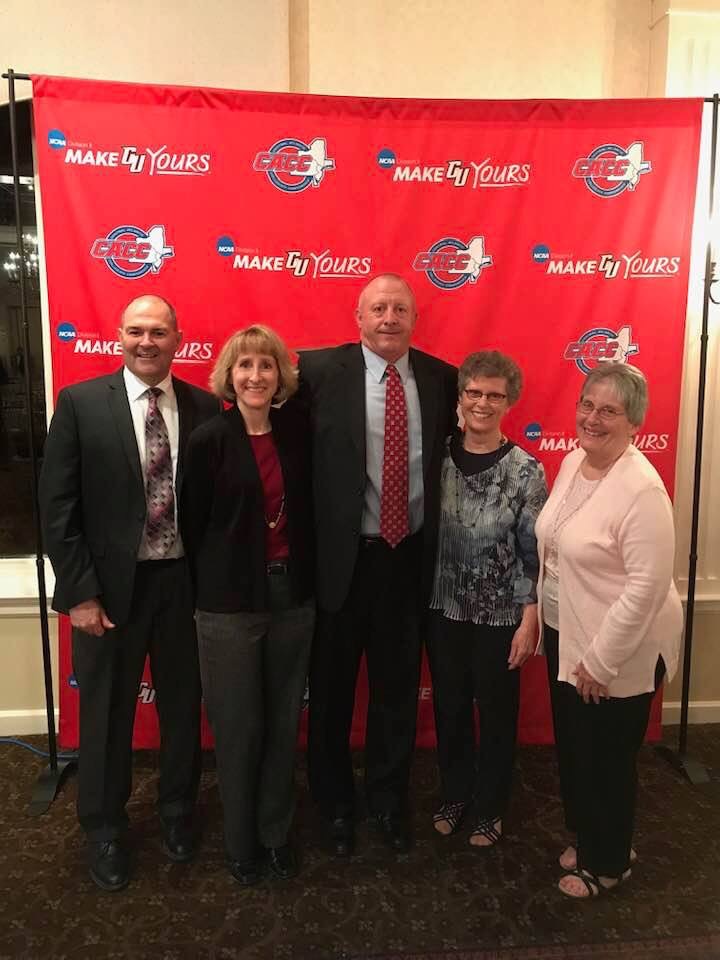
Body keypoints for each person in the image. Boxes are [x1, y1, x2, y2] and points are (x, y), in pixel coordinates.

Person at [39, 294, 219, 892]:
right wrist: (81, 594)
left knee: (180, 710)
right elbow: (57, 509)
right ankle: (105, 828)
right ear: (119, 335)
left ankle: (176, 814)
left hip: (183, 585)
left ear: (178, 338)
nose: (148, 341)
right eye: (137, 331)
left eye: (160, 332)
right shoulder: (81, 403)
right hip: (109, 592)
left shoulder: (201, 406)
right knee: (107, 715)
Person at [298, 273, 457, 856]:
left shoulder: (442, 379)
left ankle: (389, 804)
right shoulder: (314, 373)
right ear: (358, 318)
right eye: (378, 309)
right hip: (341, 564)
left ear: (415, 319)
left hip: (408, 561)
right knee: (333, 695)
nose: (389, 318)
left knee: (395, 695)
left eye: (400, 309)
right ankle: (335, 807)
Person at [534, 362, 683, 899]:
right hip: (566, 631)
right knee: (579, 750)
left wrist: (600, 661)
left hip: (619, 648)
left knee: (607, 759)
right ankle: (599, 837)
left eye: (609, 411)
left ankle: (609, 862)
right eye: (587, 405)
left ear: (634, 423)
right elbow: (553, 546)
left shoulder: (641, 490)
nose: (593, 418)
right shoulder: (576, 461)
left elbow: (645, 587)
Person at [181, 325, 315, 886]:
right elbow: (191, 525)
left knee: (284, 726)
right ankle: (241, 844)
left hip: (292, 599)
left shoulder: (297, 433)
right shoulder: (209, 439)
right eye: (245, 367)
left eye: (266, 365)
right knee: (238, 730)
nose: (256, 376)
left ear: (280, 375)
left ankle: (275, 834)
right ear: (229, 377)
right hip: (228, 606)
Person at [427, 351, 547, 847]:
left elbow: (532, 554)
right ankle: (456, 793)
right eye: (473, 392)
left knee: (496, 715)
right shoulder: (435, 457)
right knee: (450, 708)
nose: (482, 402)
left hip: (501, 618)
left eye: (494, 394)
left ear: (509, 401)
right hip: (442, 610)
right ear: (460, 397)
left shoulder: (526, 471)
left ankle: (491, 805)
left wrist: (529, 619)